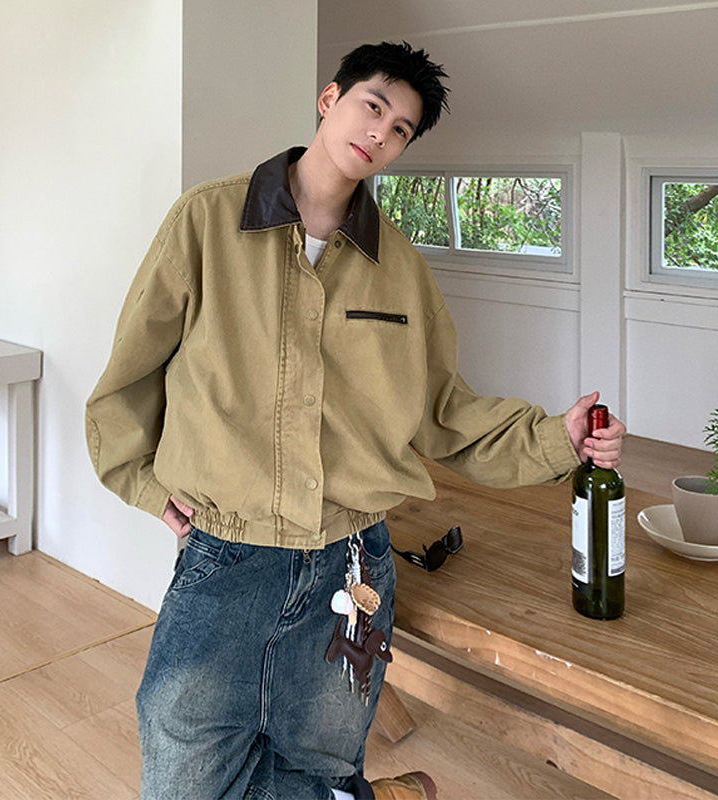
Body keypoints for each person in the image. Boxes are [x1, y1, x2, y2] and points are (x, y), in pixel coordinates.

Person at [85, 41, 625, 800]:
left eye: (400, 129)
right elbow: (132, 372)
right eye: (373, 106)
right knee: (182, 779)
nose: (381, 132)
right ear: (329, 98)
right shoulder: (206, 220)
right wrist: (143, 483)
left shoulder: (399, 267)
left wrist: (554, 436)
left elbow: (442, 410)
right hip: (228, 554)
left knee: (323, 766)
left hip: (354, 564)